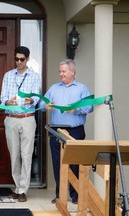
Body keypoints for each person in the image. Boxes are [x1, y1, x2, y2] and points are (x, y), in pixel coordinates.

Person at [40, 59, 93, 204]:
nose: (61, 74)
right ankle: (60, 196)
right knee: (58, 164)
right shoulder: (54, 88)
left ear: (72, 72)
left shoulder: (82, 89)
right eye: (60, 71)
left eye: (63, 71)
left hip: (75, 131)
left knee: (75, 164)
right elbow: (41, 103)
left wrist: (76, 109)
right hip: (56, 131)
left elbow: (90, 107)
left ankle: (76, 196)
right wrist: (46, 106)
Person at [0, 46, 41, 202]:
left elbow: (37, 97)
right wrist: (7, 101)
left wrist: (32, 100)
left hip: (27, 117)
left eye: (22, 59)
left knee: (26, 154)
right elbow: (3, 97)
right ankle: (17, 187)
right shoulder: (8, 75)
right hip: (11, 117)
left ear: (28, 59)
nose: (19, 62)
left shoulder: (34, 76)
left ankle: (23, 189)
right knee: (14, 155)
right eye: (16, 59)